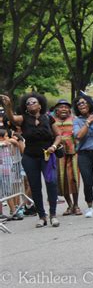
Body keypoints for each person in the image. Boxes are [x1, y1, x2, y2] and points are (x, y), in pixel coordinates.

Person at [1, 93, 62, 227]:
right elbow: (11, 118)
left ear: (40, 105)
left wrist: (54, 146)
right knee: (35, 187)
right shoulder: (23, 119)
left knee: (51, 183)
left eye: (33, 102)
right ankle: (42, 216)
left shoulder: (48, 118)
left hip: (47, 155)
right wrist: (9, 107)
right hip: (30, 157)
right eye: (28, 103)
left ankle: (53, 215)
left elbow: (58, 135)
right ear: (25, 107)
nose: (30, 104)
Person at [53, 99, 81, 216]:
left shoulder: (75, 119)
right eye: (61, 107)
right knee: (62, 180)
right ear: (56, 110)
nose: (64, 109)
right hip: (59, 155)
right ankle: (69, 205)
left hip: (73, 153)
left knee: (74, 178)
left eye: (66, 107)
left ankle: (76, 204)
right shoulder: (52, 121)